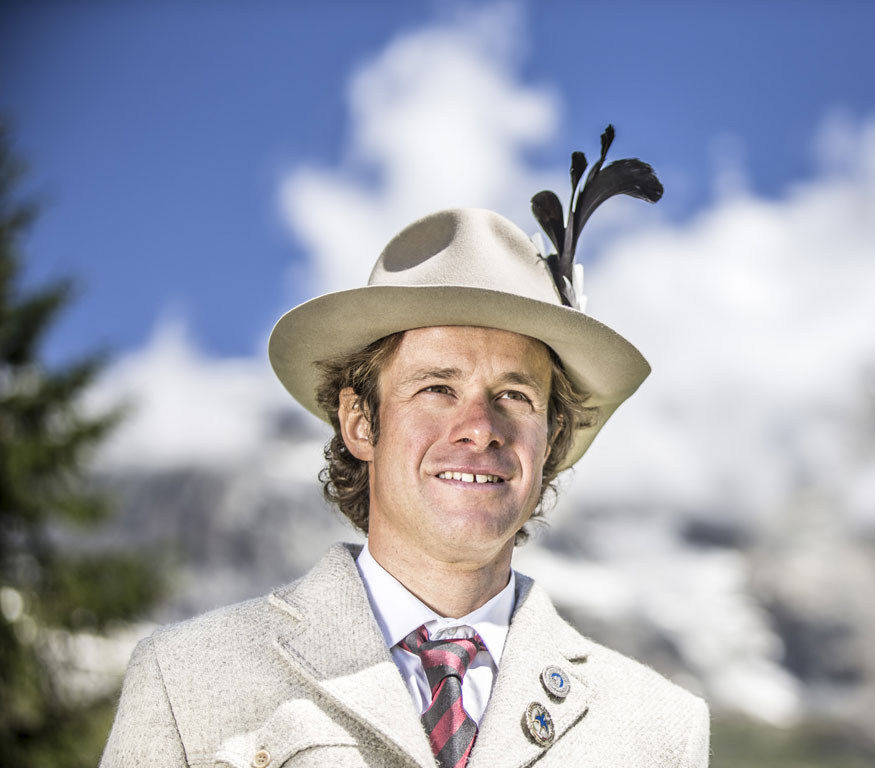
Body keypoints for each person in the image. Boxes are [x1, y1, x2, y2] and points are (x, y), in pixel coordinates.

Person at [101, 131, 709, 768]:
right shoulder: (184, 681)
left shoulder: (661, 731)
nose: (480, 427)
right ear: (361, 422)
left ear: (552, 435)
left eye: (514, 395)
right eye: (437, 388)